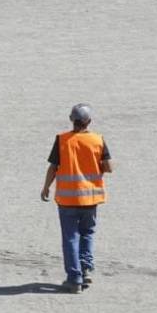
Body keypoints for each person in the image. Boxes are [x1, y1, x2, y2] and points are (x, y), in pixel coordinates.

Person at [41, 104, 113, 293]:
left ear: (71, 120)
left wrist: (46, 186)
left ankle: (74, 279)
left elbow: (53, 167)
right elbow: (109, 167)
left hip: (67, 200)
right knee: (87, 233)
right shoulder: (98, 140)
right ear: (89, 121)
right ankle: (85, 268)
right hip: (90, 199)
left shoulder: (62, 140)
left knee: (71, 238)